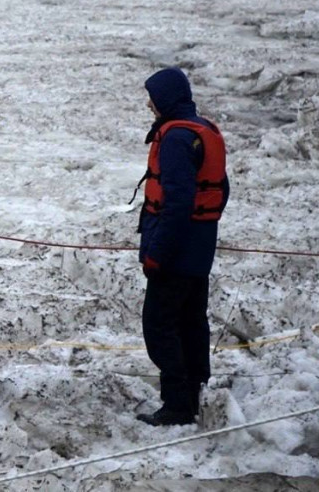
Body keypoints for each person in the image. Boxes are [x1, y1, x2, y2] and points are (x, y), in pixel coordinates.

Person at [134, 67, 229, 426]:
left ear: (166, 99)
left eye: (152, 97)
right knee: (190, 321)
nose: (149, 103)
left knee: (159, 325)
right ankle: (193, 392)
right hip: (199, 248)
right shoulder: (204, 131)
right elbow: (221, 187)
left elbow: (176, 202)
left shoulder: (175, 139)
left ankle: (176, 403)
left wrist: (158, 251)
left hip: (175, 250)